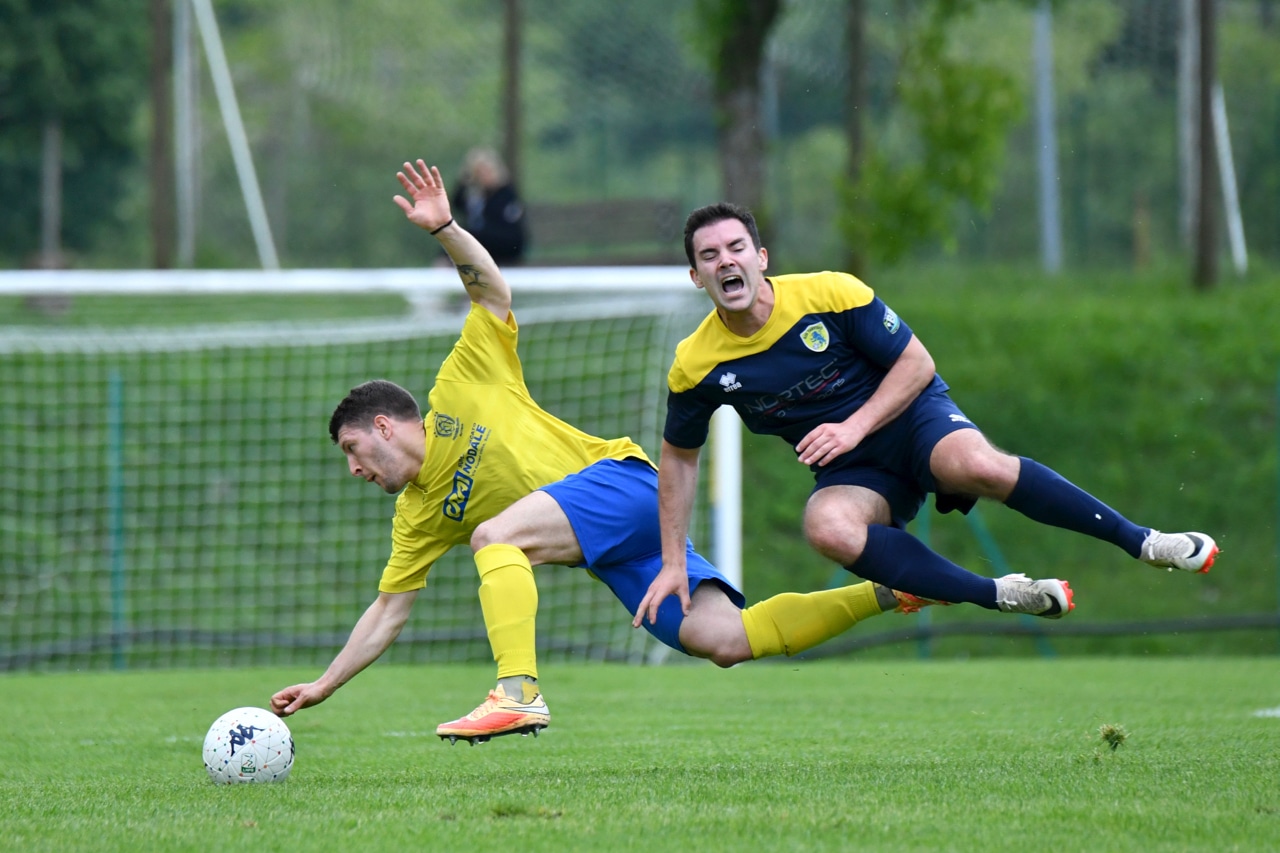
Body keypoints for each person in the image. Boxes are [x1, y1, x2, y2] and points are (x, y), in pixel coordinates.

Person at [269, 162, 937, 746]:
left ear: (384, 426)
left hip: (623, 485)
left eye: (353, 449)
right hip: (614, 548)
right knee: (726, 640)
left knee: (494, 535)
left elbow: (492, 292)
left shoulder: (462, 382)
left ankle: (517, 692)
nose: (354, 468)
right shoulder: (416, 516)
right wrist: (324, 684)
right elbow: (388, 610)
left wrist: (446, 228)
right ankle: (892, 591)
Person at [634, 202, 1218, 629]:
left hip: (913, 419)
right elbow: (679, 460)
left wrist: (853, 426)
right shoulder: (696, 364)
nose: (726, 261)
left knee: (977, 465)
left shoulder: (830, 293)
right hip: (856, 472)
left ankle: (1145, 542)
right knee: (827, 527)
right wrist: (672, 562)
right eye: (709, 256)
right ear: (697, 277)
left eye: (736, 248)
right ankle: (1001, 594)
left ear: (761, 258)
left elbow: (916, 363)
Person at [450, 146, 525, 264]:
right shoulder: (475, 194)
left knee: (466, 237)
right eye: (479, 172)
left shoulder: (505, 194)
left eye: (487, 171)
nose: (484, 176)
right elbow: (457, 204)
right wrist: (464, 181)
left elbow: (507, 229)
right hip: (481, 242)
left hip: (504, 245)